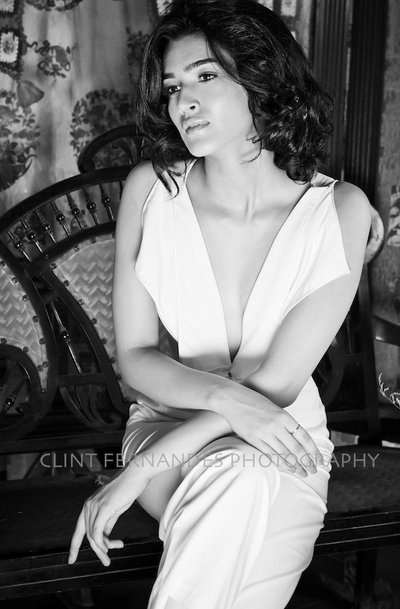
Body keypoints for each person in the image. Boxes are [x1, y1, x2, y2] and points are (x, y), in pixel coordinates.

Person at [68, 1, 372, 607]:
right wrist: (217, 408)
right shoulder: (152, 190)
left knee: (242, 480)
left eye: (205, 75)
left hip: (283, 439)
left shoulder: (340, 211)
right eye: (173, 86)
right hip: (166, 428)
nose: (184, 101)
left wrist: (133, 476)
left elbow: (277, 388)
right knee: (239, 484)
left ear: (262, 77)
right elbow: (135, 356)